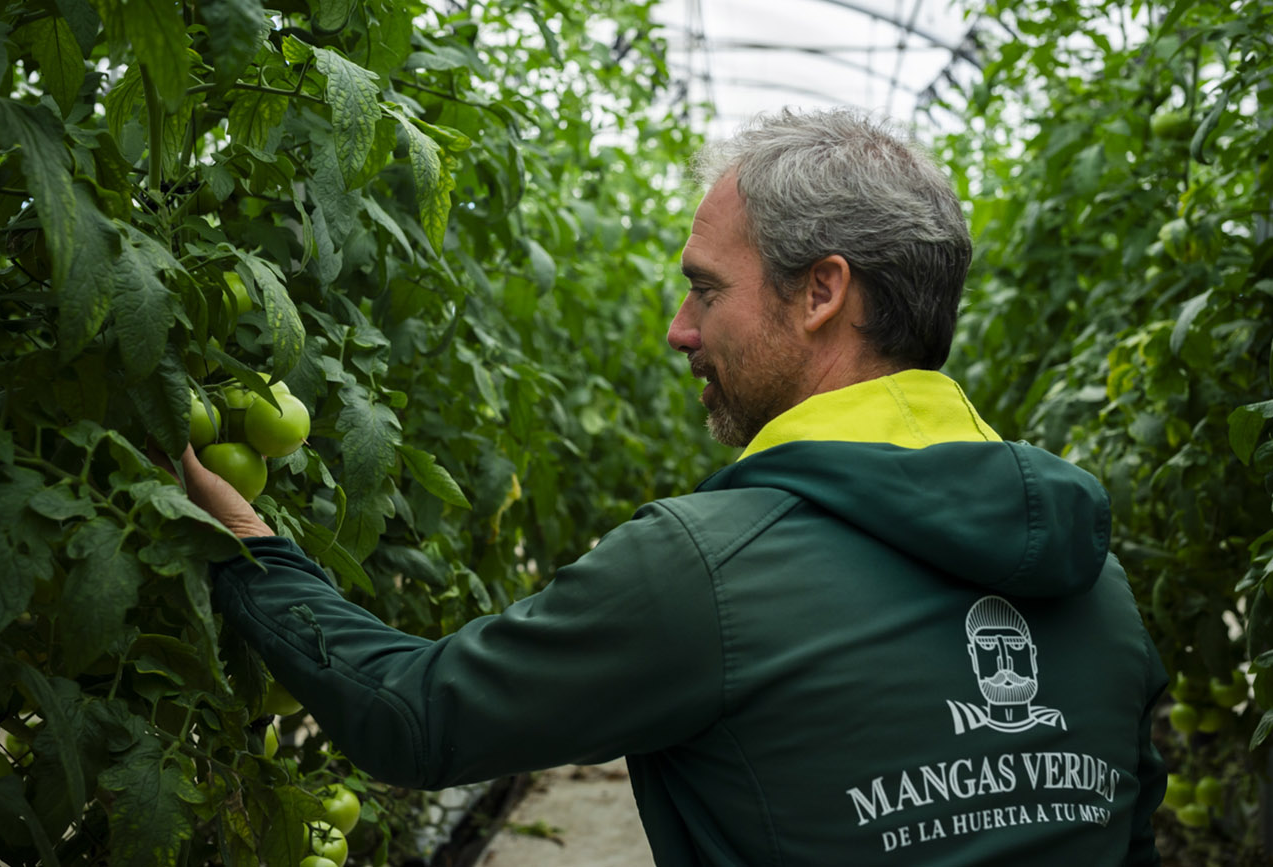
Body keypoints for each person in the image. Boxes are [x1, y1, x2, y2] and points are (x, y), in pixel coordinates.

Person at [188, 108, 1167, 866]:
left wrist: (244, 548)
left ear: (822, 292)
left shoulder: (707, 571)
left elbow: (415, 715)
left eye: (705, 288)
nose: (677, 330)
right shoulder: (1098, 585)